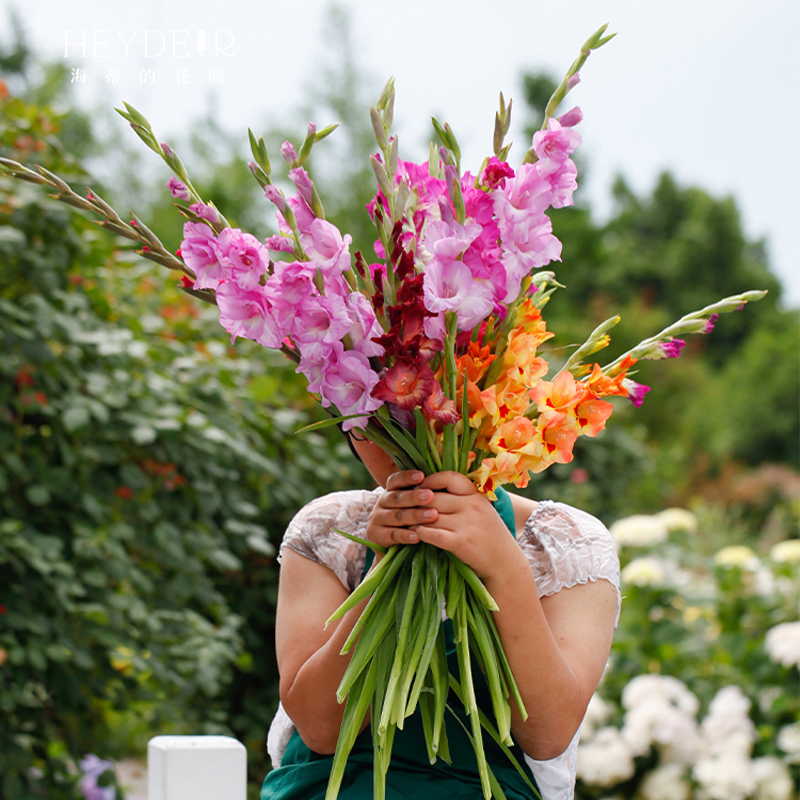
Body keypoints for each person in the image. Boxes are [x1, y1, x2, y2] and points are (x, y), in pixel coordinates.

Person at [262, 434, 621, 800]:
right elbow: (321, 728)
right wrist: (386, 566)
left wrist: (504, 568)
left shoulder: (566, 543)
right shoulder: (330, 528)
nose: (407, 429)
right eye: (374, 416)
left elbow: (548, 734)